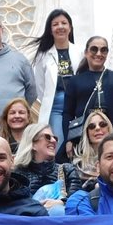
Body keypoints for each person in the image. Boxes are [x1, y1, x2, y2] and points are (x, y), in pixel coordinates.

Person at [63, 36, 113, 158]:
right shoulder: (75, 80)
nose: (99, 53)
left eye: (103, 50)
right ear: (86, 53)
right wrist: (68, 139)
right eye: (94, 49)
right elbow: (67, 113)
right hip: (84, 139)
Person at [12, 121, 80, 215]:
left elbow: (79, 201)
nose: (53, 140)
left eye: (55, 138)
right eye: (47, 137)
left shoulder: (68, 170)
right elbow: (13, 206)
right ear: (33, 144)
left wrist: (62, 202)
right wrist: (35, 206)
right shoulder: (18, 174)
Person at [30, 8, 76, 141]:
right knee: (58, 142)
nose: (60, 27)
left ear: (70, 27)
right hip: (55, 108)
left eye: (64, 23)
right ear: (50, 30)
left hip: (77, 106)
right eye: (55, 24)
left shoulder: (80, 52)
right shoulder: (42, 56)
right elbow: (40, 87)